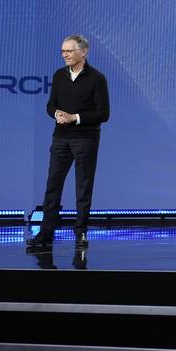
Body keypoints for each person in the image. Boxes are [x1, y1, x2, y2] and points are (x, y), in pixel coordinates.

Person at [26, 35, 110, 248]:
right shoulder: (59, 76)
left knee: (83, 187)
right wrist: (56, 114)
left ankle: (81, 232)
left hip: (86, 139)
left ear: (83, 52)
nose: (64, 54)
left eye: (69, 51)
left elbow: (103, 113)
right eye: (63, 51)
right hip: (60, 139)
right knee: (52, 186)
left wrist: (75, 118)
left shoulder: (97, 78)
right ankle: (46, 233)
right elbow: (50, 105)